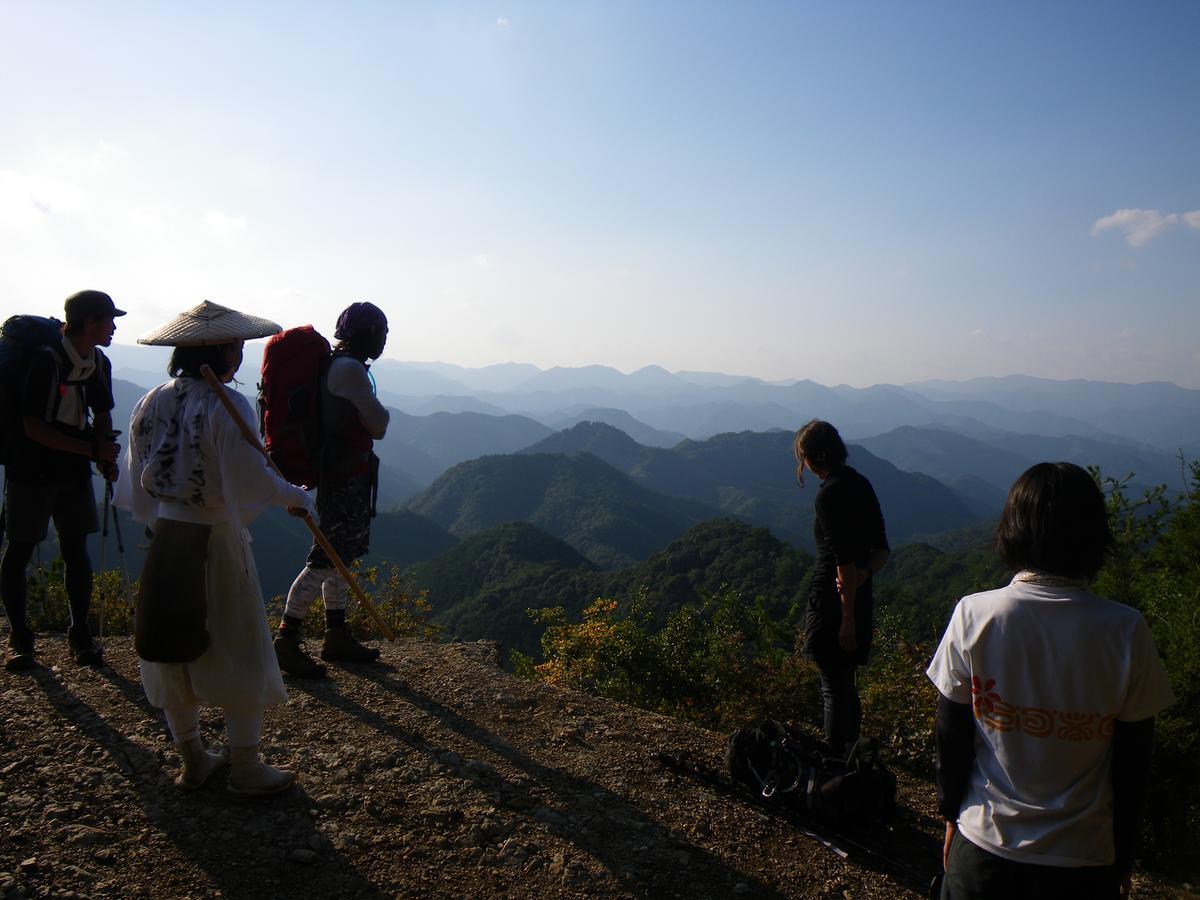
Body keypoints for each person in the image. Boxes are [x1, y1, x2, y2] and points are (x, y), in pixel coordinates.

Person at [928, 462, 1175, 899]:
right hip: (1082, 861)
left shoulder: (975, 614)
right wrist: (1122, 853)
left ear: (1012, 530)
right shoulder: (1124, 631)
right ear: (1095, 538)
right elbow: (1135, 761)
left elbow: (951, 732)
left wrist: (951, 816)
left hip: (984, 852)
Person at [117, 301, 315, 795]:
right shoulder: (227, 403)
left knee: (170, 645)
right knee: (239, 642)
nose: (241, 354)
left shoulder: (152, 400)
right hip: (216, 540)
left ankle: (193, 759)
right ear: (224, 349)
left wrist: (160, 520)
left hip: (165, 538)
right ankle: (245, 767)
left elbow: (135, 479)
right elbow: (251, 480)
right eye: (238, 346)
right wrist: (294, 496)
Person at [2, 290, 124, 671]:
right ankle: (22, 638)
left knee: (74, 548)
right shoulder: (44, 361)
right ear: (89, 322)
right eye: (108, 320)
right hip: (32, 463)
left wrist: (104, 452)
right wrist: (93, 452)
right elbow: (33, 428)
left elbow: (101, 412)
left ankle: (78, 634)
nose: (114, 326)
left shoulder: (97, 361)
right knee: (22, 548)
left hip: (71, 463)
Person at [273, 301, 390, 678]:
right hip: (344, 477)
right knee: (324, 559)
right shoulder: (350, 370)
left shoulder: (337, 366)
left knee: (341, 556)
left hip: (339, 474)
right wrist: (381, 413)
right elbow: (378, 424)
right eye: (382, 333)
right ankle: (287, 639)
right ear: (369, 334)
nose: (385, 341)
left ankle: (336, 633)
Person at [794, 419, 890, 754]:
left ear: (812, 457)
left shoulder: (828, 495)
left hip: (834, 602)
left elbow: (841, 561)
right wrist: (863, 578)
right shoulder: (860, 483)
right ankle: (853, 766)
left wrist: (845, 619)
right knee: (846, 684)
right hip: (860, 596)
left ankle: (835, 765)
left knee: (833, 687)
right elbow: (881, 550)